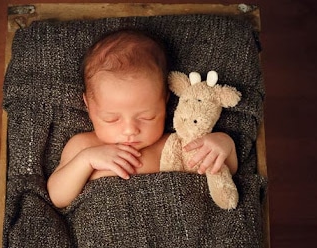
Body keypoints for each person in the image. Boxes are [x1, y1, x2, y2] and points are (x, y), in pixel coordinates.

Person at [47, 28, 238, 208]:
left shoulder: (175, 146)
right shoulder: (84, 147)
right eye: (111, 119)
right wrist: (85, 161)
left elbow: (222, 175)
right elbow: (58, 197)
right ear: (88, 106)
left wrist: (224, 144)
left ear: (165, 102)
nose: (130, 130)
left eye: (147, 117)